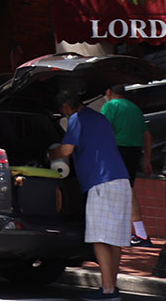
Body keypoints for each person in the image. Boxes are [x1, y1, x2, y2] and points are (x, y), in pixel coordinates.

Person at [50, 90, 132, 301]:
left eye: (62, 111)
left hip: (101, 182)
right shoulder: (100, 118)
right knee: (114, 239)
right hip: (121, 179)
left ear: (66, 107)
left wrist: (50, 153)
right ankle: (112, 287)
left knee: (100, 238)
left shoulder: (77, 118)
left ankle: (107, 290)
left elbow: (67, 150)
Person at [101, 84, 153, 246]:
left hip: (116, 150)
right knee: (125, 188)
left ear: (109, 92)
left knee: (119, 189)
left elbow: (103, 130)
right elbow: (147, 135)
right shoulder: (135, 108)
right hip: (134, 151)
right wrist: (147, 159)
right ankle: (136, 231)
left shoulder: (110, 105)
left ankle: (139, 233)